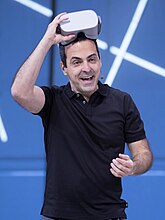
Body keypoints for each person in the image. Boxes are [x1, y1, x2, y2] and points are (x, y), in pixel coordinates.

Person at [11, 11, 153, 220]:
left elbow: (144, 155)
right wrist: (47, 40)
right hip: (59, 216)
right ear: (64, 68)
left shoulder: (122, 101)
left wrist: (134, 166)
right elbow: (19, 92)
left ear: (100, 61)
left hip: (110, 215)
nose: (86, 68)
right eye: (76, 62)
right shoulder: (53, 100)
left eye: (91, 59)